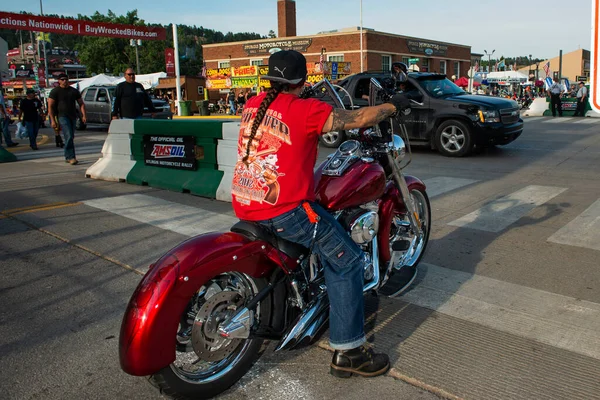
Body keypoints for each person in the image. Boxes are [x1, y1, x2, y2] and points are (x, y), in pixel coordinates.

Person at [231, 50, 411, 379]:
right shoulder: (308, 110)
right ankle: (349, 352)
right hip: (286, 213)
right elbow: (355, 120)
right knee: (348, 260)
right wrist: (391, 106)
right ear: (302, 80)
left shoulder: (254, 104)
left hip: (247, 203)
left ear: (271, 78)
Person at [48, 73, 87, 165]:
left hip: (72, 116)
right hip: (62, 116)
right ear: (59, 81)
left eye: (66, 79)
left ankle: (67, 155)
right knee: (68, 135)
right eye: (62, 79)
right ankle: (71, 157)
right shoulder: (55, 91)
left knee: (70, 136)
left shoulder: (73, 91)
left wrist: (84, 115)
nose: (64, 81)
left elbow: (81, 103)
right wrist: (53, 120)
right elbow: (50, 106)